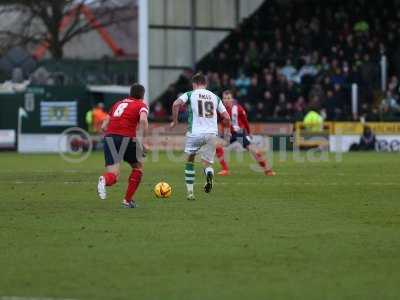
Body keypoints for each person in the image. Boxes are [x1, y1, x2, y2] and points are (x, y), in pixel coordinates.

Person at [170, 73, 231, 201]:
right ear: (205, 84)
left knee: (190, 161)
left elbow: (176, 104)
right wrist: (227, 132)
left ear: (194, 84)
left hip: (195, 133)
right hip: (211, 134)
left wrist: (175, 121)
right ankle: (209, 174)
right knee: (206, 163)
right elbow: (226, 117)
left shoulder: (190, 94)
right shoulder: (215, 97)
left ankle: (190, 193)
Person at [97, 84, 149, 208]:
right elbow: (142, 120)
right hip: (126, 138)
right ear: (142, 95)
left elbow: (104, 126)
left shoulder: (117, 104)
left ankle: (103, 180)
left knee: (113, 175)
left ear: (130, 93)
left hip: (110, 138)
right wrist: (141, 141)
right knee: (138, 167)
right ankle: (127, 200)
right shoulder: (141, 105)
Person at [215, 90, 276, 177]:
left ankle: (268, 170)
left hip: (239, 133)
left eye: (228, 98)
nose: (226, 100)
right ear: (222, 99)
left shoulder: (238, 108)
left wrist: (249, 132)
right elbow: (221, 122)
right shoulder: (220, 110)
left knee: (253, 150)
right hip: (229, 134)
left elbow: (245, 121)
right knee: (217, 145)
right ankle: (225, 169)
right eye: (224, 98)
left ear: (232, 99)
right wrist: (223, 131)